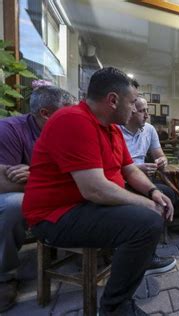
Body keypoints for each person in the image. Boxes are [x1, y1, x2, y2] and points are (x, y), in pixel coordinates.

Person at [22, 67, 174, 315]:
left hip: (85, 205)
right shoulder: (73, 120)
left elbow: (129, 170)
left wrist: (151, 192)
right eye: (132, 102)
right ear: (113, 100)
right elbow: (94, 189)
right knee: (146, 222)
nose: (135, 108)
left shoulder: (111, 128)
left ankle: (135, 262)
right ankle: (115, 308)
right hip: (55, 216)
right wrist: (146, 205)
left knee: (158, 204)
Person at [0, 86, 75, 312]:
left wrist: (36, 175)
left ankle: (82, 250)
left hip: (51, 192)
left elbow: (76, 175)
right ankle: (5, 277)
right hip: (28, 197)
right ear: (46, 113)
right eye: (67, 110)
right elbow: (4, 183)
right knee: (14, 204)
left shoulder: (68, 132)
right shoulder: (10, 130)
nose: (73, 116)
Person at [119, 96, 177, 273]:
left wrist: (161, 161)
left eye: (147, 111)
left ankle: (149, 247)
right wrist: (138, 168)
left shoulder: (149, 130)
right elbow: (113, 166)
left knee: (169, 194)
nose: (147, 115)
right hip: (122, 178)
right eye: (143, 110)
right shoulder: (116, 130)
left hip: (144, 178)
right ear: (131, 111)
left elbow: (160, 154)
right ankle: (141, 254)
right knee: (154, 201)